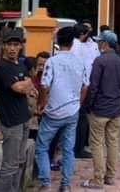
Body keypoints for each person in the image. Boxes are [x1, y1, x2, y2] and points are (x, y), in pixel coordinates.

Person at [35, 26, 89, 192]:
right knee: (68, 149)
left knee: (42, 147)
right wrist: (78, 103)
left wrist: (42, 103)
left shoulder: (52, 61)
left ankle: (45, 183)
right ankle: (65, 185)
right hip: (72, 111)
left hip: (53, 112)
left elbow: (44, 85)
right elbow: (86, 85)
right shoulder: (80, 62)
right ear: (73, 43)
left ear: (57, 42)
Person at [81, 31, 120, 189]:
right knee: (113, 143)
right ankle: (110, 177)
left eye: (100, 42)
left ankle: (98, 179)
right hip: (116, 109)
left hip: (100, 109)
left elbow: (93, 87)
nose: (98, 44)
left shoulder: (100, 61)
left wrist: (88, 105)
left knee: (97, 144)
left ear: (105, 44)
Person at [0, 28, 38, 192]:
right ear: (4, 46)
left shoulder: (20, 64)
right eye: (9, 45)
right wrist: (26, 83)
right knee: (9, 165)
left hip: (24, 118)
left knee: (20, 161)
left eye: (16, 44)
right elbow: (20, 88)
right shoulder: (3, 67)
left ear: (21, 46)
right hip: (11, 121)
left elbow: (30, 85)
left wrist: (27, 84)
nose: (12, 48)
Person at [71, 23, 100, 159]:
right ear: (82, 34)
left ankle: (79, 146)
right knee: (81, 118)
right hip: (81, 85)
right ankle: (78, 148)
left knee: (81, 117)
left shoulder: (86, 44)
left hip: (82, 85)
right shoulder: (76, 46)